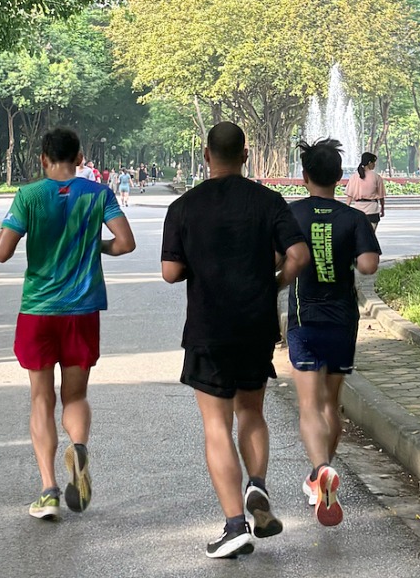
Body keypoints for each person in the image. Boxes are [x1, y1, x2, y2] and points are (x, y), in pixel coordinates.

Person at [161, 122, 311, 559]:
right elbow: (299, 255)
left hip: (208, 328)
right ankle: (257, 485)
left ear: (206, 155)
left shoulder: (184, 207)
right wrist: (274, 283)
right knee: (251, 412)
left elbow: (170, 272)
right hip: (255, 324)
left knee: (216, 425)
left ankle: (233, 526)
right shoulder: (268, 201)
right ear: (245, 156)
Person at [0, 127, 136, 522]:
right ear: (79, 158)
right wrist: (95, 245)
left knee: (41, 398)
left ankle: (48, 490)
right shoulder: (98, 194)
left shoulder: (28, 196)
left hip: (38, 311)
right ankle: (79, 447)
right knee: (75, 396)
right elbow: (125, 243)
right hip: (82, 311)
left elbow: (2, 252)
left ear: (43, 159)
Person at [287, 139, 381, 527]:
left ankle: (320, 471)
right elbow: (368, 265)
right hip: (342, 319)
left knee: (309, 405)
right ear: (339, 177)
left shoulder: (291, 214)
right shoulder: (353, 218)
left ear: (304, 176)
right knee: (331, 403)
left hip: (304, 319)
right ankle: (322, 472)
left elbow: (277, 260)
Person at [345, 152, 386, 231]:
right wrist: (382, 209)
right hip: (372, 210)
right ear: (370, 163)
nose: (374, 165)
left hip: (358, 210)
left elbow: (349, 197)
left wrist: (346, 210)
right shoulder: (376, 177)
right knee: (370, 235)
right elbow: (381, 196)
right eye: (374, 163)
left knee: (359, 235)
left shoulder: (354, 177)